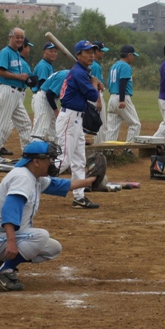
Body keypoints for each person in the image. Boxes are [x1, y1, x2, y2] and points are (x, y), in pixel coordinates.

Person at [0, 141, 96, 291]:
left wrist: (90, 181)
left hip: (2, 237)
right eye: (50, 159)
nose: (52, 163)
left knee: (52, 248)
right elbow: (10, 209)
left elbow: (59, 185)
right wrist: (11, 241)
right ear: (36, 161)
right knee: (40, 236)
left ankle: (1, 262)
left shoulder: (33, 177)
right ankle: (3, 271)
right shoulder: (22, 178)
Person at [55, 40, 102, 209]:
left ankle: (79, 197)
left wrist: (93, 80)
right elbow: (91, 94)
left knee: (79, 160)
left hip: (76, 119)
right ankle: (30, 180)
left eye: (92, 52)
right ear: (78, 55)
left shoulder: (82, 72)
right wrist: (95, 83)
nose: (91, 55)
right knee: (64, 161)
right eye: (87, 52)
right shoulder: (78, 73)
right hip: (69, 118)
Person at [0, 27, 33, 163]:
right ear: (10, 37)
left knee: (25, 123)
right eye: (17, 37)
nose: (20, 39)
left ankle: (28, 153)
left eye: (21, 37)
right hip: (8, 90)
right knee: (2, 123)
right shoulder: (5, 52)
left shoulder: (17, 54)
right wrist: (18, 76)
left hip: (16, 93)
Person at [106, 44, 142, 142]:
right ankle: (128, 150)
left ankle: (108, 151)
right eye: (133, 55)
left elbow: (109, 83)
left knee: (112, 128)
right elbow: (123, 83)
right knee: (135, 124)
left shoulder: (114, 66)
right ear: (129, 55)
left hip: (112, 97)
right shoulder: (125, 66)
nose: (133, 58)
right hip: (122, 97)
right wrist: (122, 100)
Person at [31, 42, 58, 143]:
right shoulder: (44, 66)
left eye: (55, 51)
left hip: (47, 99)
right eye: (51, 51)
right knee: (41, 129)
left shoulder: (48, 65)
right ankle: (34, 153)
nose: (53, 53)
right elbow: (43, 86)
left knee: (54, 129)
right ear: (44, 52)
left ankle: (55, 152)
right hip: (43, 98)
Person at [90, 42, 109, 143]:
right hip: (96, 96)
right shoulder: (95, 66)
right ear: (96, 52)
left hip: (90, 96)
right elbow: (95, 85)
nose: (103, 53)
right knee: (101, 124)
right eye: (101, 51)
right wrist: (99, 100)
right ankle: (99, 149)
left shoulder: (92, 65)